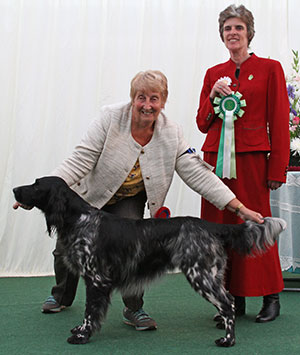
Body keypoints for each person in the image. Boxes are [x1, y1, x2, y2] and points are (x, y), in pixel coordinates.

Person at [39, 69, 263, 331]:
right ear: (132, 98)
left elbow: (196, 173)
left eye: (154, 99)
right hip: (95, 194)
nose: (147, 105)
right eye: (141, 98)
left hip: (129, 197)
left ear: (163, 101)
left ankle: (134, 309)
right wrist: (45, 190)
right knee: (66, 248)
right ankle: (61, 296)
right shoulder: (110, 118)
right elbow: (80, 159)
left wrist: (237, 206)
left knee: (133, 248)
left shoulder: (171, 133)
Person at [196, 4, 290, 323]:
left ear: (249, 32)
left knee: (256, 226)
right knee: (220, 230)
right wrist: (212, 96)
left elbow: (279, 121)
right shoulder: (212, 74)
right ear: (221, 36)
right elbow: (201, 122)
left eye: (238, 28)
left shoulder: (271, 68)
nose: (232, 33)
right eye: (227, 29)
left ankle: (270, 296)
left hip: (252, 163)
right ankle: (229, 299)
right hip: (215, 165)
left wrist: (278, 168)